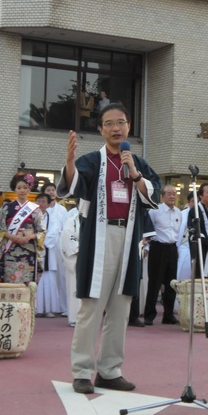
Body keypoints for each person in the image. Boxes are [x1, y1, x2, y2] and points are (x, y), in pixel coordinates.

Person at [57, 102, 160, 395]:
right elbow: (72, 184)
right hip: (98, 239)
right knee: (91, 306)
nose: (117, 128)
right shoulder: (91, 161)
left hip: (130, 240)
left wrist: (135, 173)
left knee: (121, 307)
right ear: (101, 129)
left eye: (121, 122)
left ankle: (110, 371)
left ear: (129, 127)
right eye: (110, 123)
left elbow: (153, 194)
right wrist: (69, 161)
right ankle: (81, 371)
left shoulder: (138, 162)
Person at [0, 172, 42, 285]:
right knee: (9, 281)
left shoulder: (35, 210)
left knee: (26, 284)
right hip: (10, 250)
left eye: (25, 187)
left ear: (29, 189)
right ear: (14, 190)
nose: (22, 190)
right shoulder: (7, 208)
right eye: (19, 187)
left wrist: (30, 236)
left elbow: (42, 231)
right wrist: (11, 236)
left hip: (28, 250)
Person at [143, 185, 181, 326]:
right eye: (169, 194)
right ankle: (149, 315)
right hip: (158, 248)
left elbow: (178, 233)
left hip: (171, 249)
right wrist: (146, 247)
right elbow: (147, 232)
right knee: (155, 282)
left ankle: (168, 315)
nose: (172, 196)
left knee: (171, 284)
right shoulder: (155, 211)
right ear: (162, 196)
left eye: (174, 194)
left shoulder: (178, 212)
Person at [43, 182, 69, 317]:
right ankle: (49, 306)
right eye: (48, 190)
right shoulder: (41, 209)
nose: (51, 192)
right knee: (49, 276)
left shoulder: (62, 210)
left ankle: (64, 306)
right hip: (45, 245)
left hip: (59, 244)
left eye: (53, 190)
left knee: (63, 275)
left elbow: (66, 228)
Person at [35, 192, 60, 317]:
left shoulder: (52, 217)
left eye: (44, 201)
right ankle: (36, 308)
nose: (41, 204)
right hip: (35, 250)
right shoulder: (32, 215)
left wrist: (41, 240)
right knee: (36, 277)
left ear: (48, 204)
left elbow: (54, 233)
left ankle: (48, 309)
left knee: (49, 279)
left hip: (47, 251)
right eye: (39, 201)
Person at [60, 204, 80, 327]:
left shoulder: (95, 219)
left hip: (91, 259)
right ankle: (74, 317)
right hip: (77, 258)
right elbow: (67, 236)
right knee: (74, 288)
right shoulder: (72, 221)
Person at [175, 191, 195, 282]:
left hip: (198, 247)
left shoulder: (203, 214)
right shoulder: (181, 214)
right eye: (193, 201)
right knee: (182, 274)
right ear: (188, 202)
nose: (195, 204)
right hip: (184, 245)